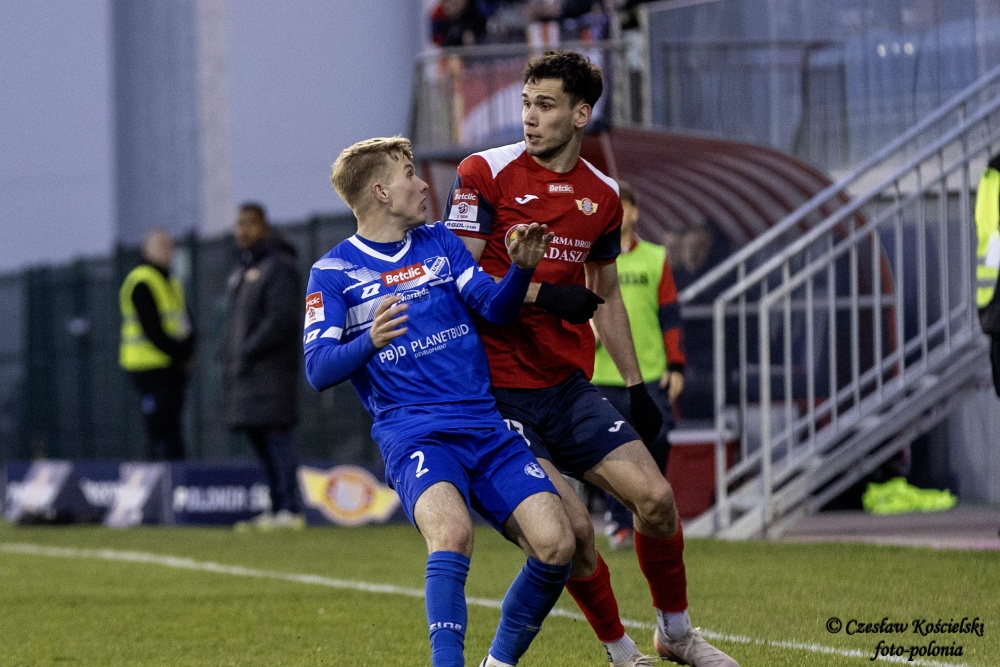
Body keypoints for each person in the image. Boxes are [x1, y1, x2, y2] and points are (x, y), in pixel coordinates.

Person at [443, 50, 739, 667]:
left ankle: (676, 633)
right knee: (573, 532)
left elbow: (606, 294)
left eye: (545, 106)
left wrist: (637, 386)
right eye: (526, 103)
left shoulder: (601, 196)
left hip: (566, 385)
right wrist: (541, 292)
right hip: (494, 391)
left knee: (656, 499)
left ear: (581, 114)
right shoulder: (483, 172)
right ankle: (621, 651)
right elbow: (454, 277)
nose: (530, 117)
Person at [305, 136, 574, 667]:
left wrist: (520, 270)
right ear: (381, 192)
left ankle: (499, 663)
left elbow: (493, 309)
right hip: (414, 432)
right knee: (452, 533)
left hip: (484, 424)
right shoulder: (332, 273)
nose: (423, 184)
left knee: (557, 545)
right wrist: (368, 341)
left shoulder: (441, 243)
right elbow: (318, 369)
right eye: (409, 174)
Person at [591, 180, 685, 551]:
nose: (620, 213)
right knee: (614, 451)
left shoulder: (656, 258)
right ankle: (619, 522)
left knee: (657, 441)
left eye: (625, 205)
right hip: (603, 373)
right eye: (613, 206)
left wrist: (676, 366)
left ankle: (647, 513)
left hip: (649, 372)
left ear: (635, 212)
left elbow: (670, 314)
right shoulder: (590, 258)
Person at [221, 202, 305, 530]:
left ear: (264, 226)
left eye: (249, 223)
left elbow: (280, 320)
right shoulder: (244, 269)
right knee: (261, 441)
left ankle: (290, 508)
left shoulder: (278, 266)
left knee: (276, 438)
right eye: (238, 224)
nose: (242, 230)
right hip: (249, 376)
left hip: (272, 374)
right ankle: (275, 507)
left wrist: (246, 349)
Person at [119, 229, 194, 461]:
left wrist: (188, 352)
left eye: (169, 245)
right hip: (150, 368)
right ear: (146, 249)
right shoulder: (142, 281)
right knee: (161, 432)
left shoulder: (170, 280)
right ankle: (162, 477)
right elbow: (153, 331)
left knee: (171, 430)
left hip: (171, 368)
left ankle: (173, 477)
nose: (167, 251)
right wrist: (181, 354)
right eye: (160, 245)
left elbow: (184, 322)